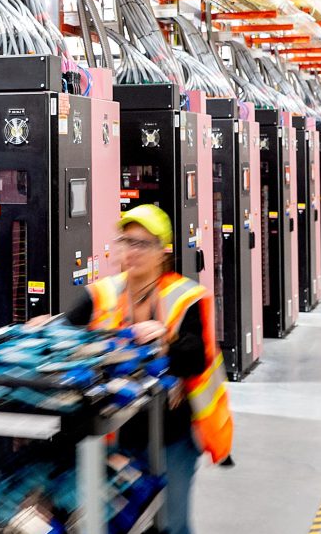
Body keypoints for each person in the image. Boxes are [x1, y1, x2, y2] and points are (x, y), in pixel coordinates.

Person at [62, 204, 233, 534]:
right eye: (126, 241)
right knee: (118, 521)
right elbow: (66, 335)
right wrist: (44, 330)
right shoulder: (100, 294)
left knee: (171, 522)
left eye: (143, 243)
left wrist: (164, 340)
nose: (132, 251)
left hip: (172, 431)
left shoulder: (186, 297)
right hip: (115, 429)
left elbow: (195, 358)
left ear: (162, 252)